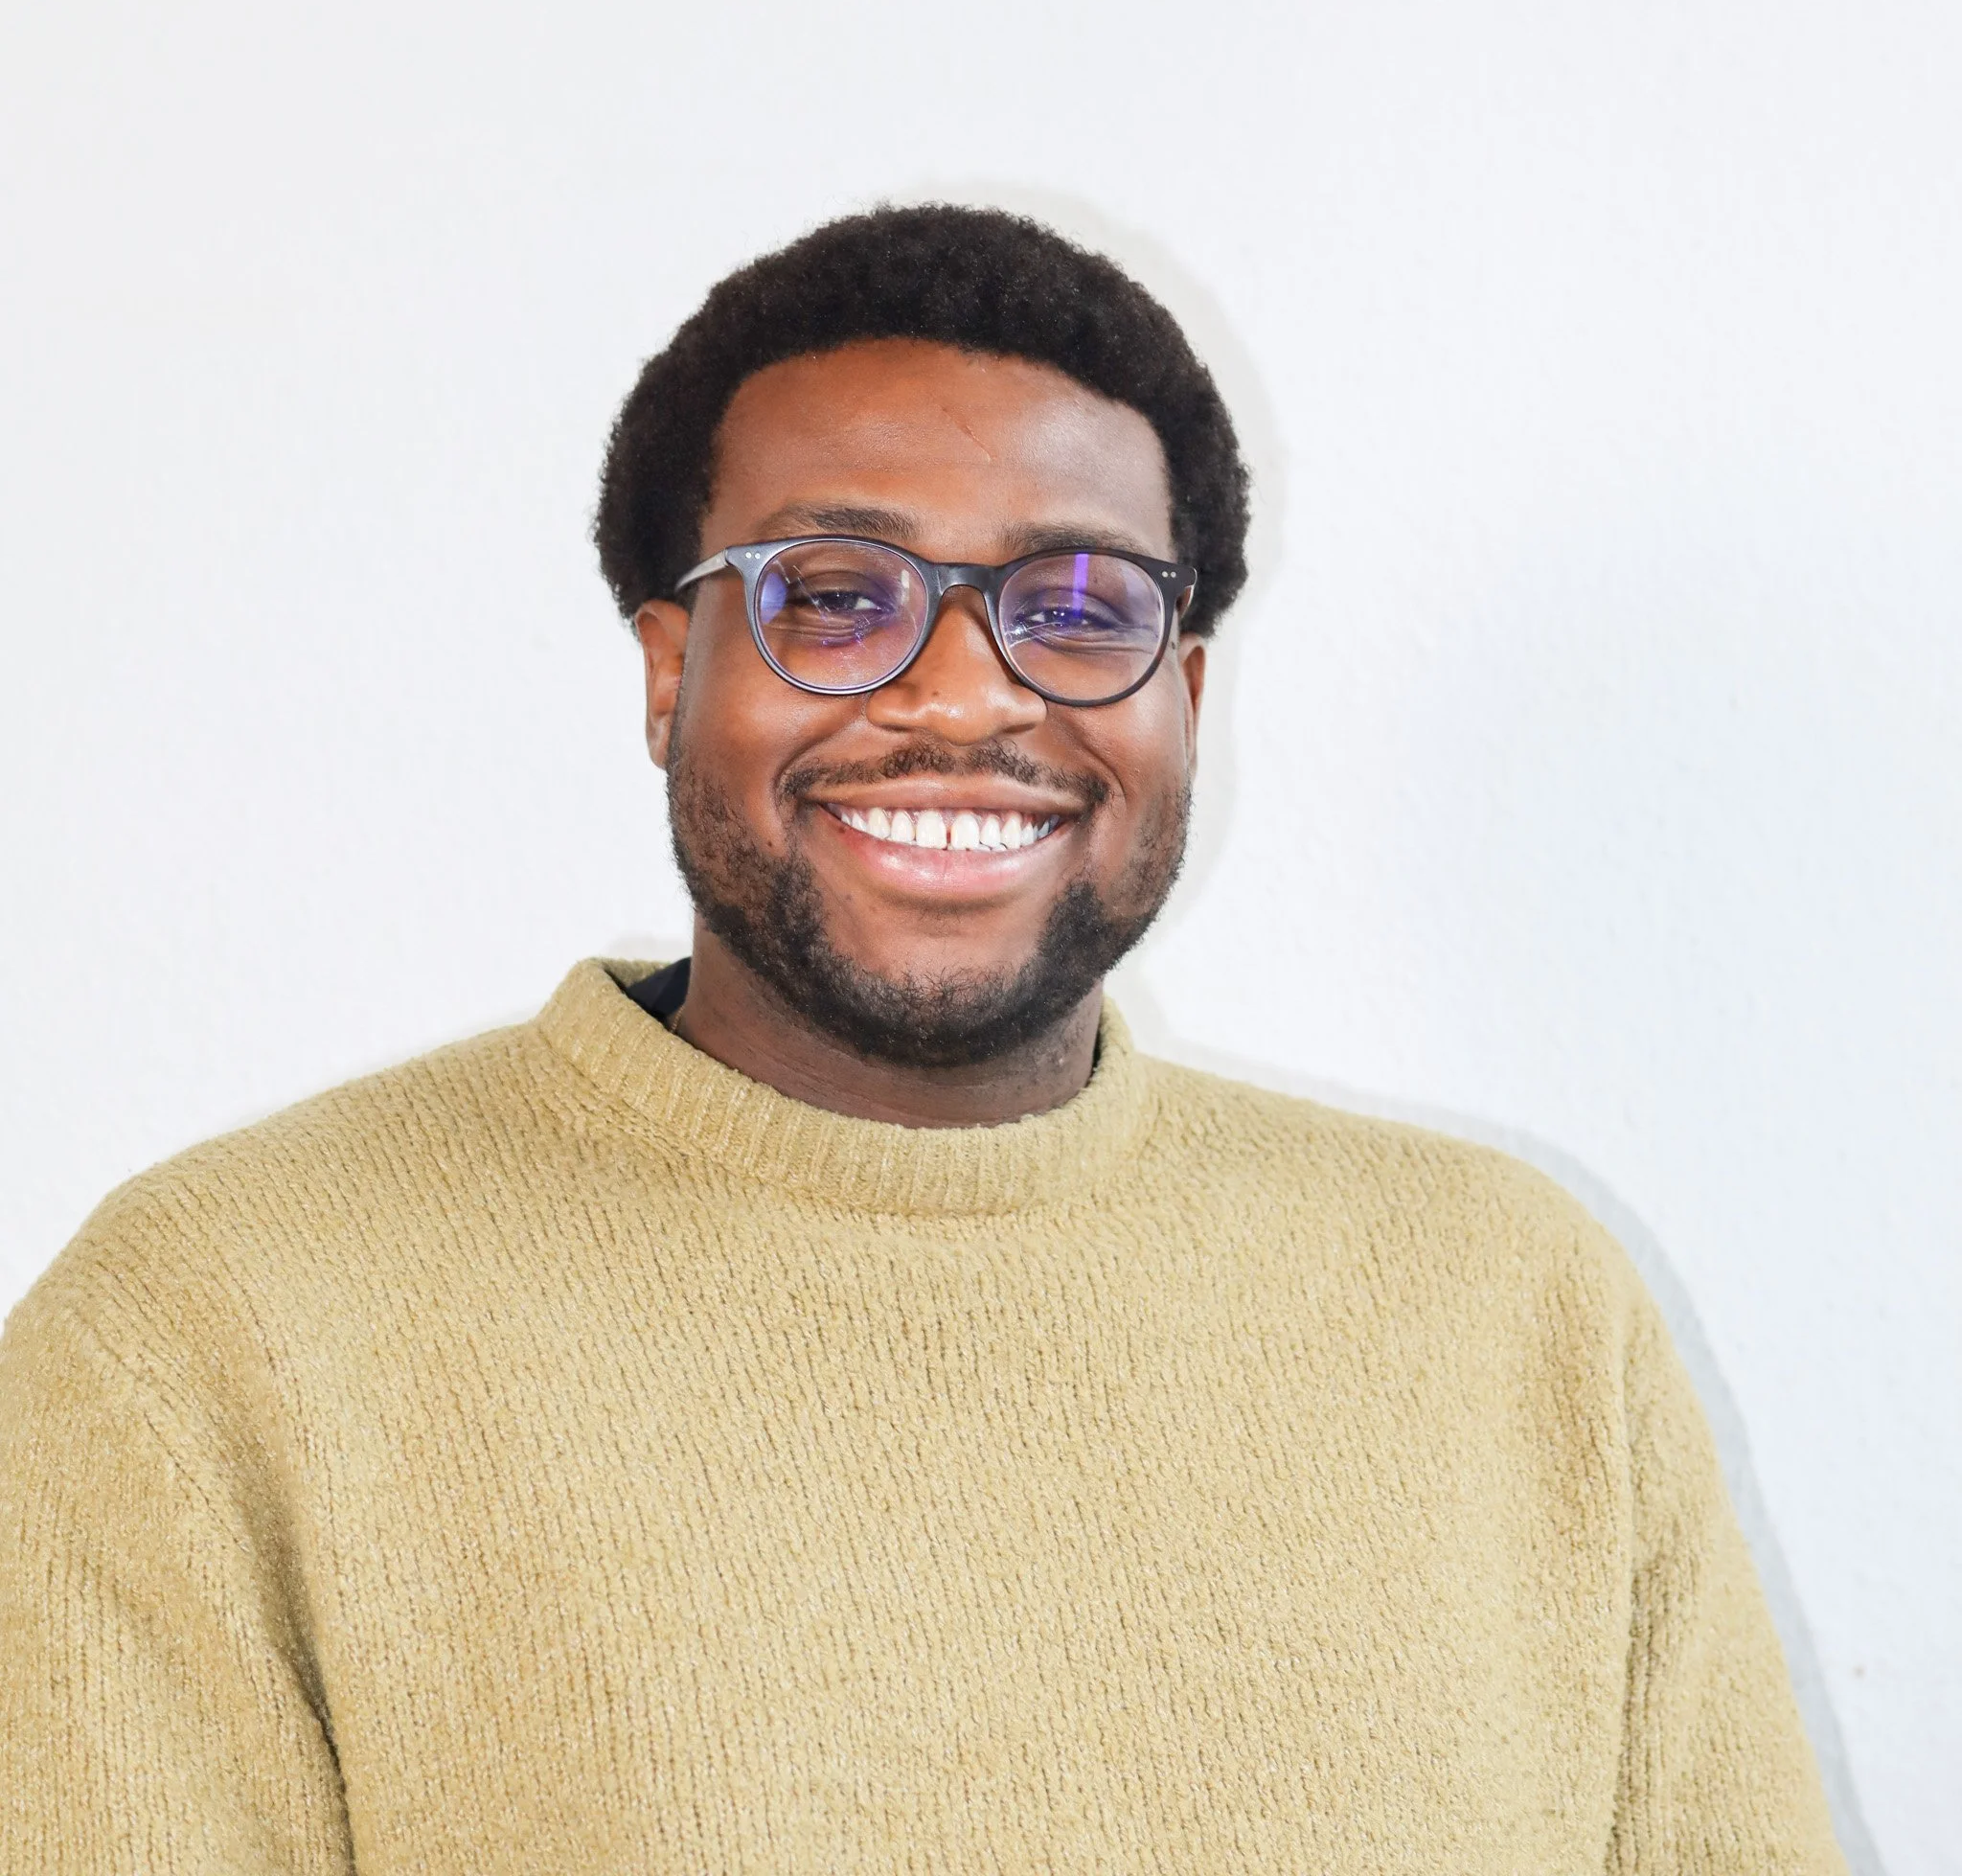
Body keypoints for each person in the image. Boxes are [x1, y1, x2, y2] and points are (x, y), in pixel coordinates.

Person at [0, 206, 1845, 1872]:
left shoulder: (1515, 1310)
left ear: (1186, 698)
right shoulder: (212, 1339)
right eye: (833, 597)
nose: (965, 699)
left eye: (1078, 609)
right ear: (670, 671)